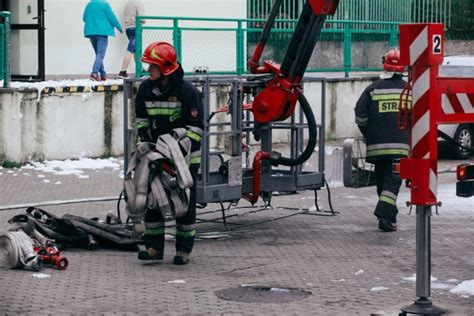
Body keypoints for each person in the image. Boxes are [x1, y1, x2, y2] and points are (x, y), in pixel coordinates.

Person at [135, 42, 204, 265]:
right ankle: (154, 248)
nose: (148, 70)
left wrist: (174, 149)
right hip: (155, 156)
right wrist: (145, 137)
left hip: (184, 160)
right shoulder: (145, 89)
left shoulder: (188, 92)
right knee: (152, 200)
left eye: (151, 66)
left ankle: (183, 251)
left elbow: (195, 131)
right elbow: (141, 119)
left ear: (165, 69)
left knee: (183, 203)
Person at [354, 48, 411, 232]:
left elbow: (360, 116)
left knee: (382, 184)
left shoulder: (372, 89)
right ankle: (384, 216)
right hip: (401, 148)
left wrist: (368, 132)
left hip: (376, 148)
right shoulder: (409, 90)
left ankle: (389, 218)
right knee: (392, 183)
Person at [83, 0, 123, 81]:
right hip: (102, 33)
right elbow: (111, 17)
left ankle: (103, 74)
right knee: (100, 54)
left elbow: (84, 18)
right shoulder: (104, 4)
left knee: (98, 55)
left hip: (91, 33)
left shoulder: (89, 4)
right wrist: (120, 28)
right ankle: (94, 73)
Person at [118, 0, 145, 79]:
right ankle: (122, 72)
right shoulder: (138, 2)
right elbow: (142, 18)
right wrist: (143, 21)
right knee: (130, 50)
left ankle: (140, 70)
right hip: (135, 28)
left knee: (135, 51)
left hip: (128, 28)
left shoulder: (127, 3)